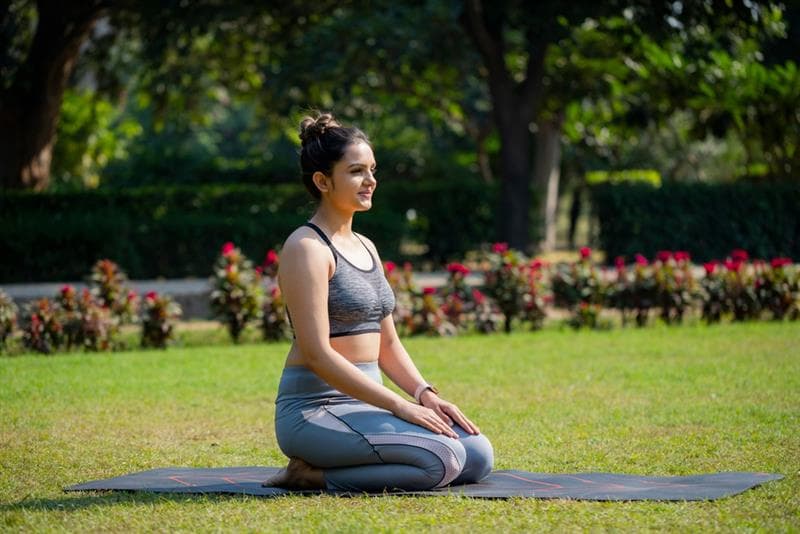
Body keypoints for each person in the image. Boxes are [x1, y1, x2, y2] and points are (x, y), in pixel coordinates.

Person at [264, 112, 493, 492]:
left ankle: (325, 467)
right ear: (322, 180)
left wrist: (425, 396)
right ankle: (309, 475)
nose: (370, 181)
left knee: (478, 455)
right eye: (356, 171)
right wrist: (399, 406)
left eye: (372, 169)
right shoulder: (305, 248)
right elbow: (317, 353)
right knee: (442, 460)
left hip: (366, 404)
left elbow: (388, 343)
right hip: (314, 410)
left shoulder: (366, 246)